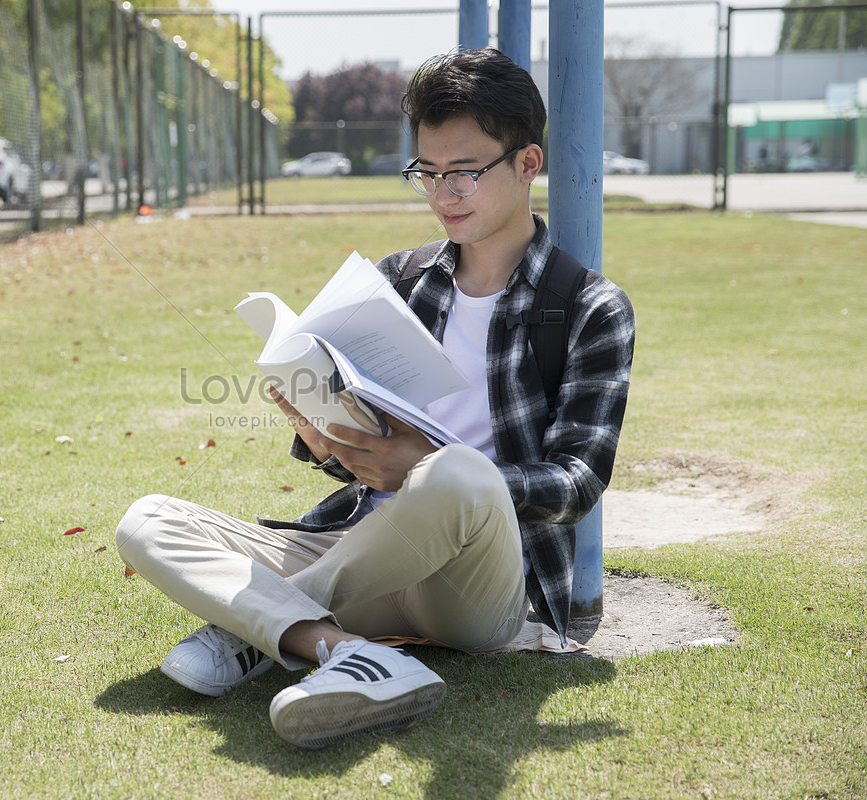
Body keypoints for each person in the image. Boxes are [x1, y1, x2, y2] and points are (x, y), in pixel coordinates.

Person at [115, 48, 635, 750]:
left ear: (527, 163)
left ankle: (257, 627)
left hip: (477, 583)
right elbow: (362, 451)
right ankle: (346, 654)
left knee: (454, 471)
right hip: (367, 550)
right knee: (147, 522)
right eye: (427, 172)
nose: (444, 193)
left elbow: (577, 482)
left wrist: (422, 464)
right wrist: (329, 437)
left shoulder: (588, 307)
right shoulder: (402, 281)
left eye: (465, 171)